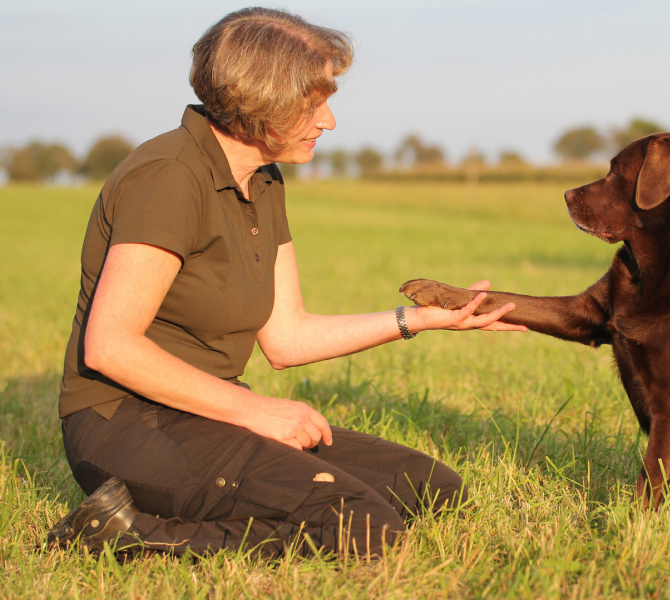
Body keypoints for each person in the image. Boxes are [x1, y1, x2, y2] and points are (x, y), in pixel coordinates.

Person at [46, 7, 523, 559]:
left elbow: (287, 336)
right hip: (128, 426)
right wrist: (255, 412)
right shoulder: (171, 177)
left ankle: (174, 516)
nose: (329, 120)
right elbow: (110, 347)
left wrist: (417, 319)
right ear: (261, 101)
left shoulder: (262, 180)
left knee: (433, 491)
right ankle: (130, 537)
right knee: (364, 524)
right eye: (313, 103)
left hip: (206, 414)